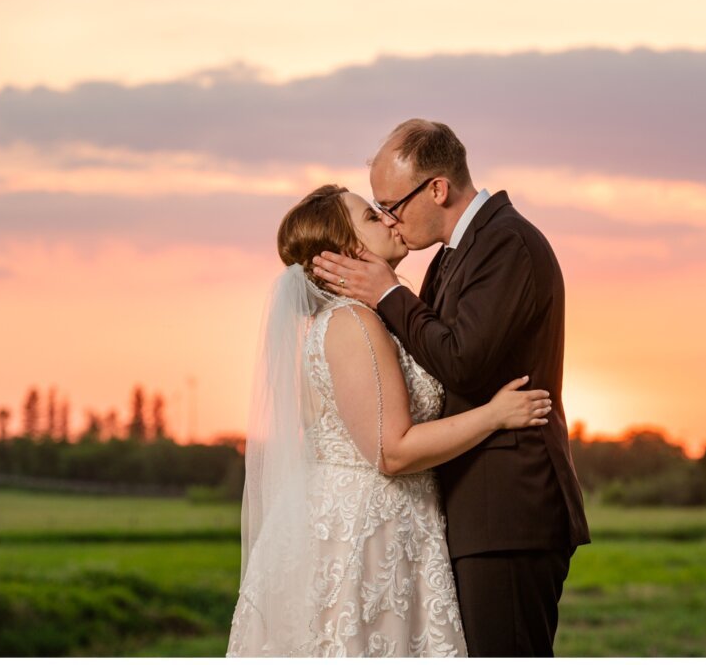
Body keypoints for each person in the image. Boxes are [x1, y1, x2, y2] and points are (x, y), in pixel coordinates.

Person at [226, 185, 552, 657]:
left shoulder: (363, 320)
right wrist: (494, 416)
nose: (390, 219)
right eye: (373, 217)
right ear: (349, 250)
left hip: (382, 520)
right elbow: (391, 451)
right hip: (367, 530)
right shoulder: (354, 325)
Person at [311, 119, 591, 656]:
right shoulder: (455, 255)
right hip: (476, 514)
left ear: (436, 188)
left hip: (507, 512)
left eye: (391, 203)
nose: (389, 219)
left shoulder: (505, 243)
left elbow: (462, 362)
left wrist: (390, 293)